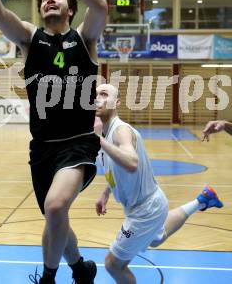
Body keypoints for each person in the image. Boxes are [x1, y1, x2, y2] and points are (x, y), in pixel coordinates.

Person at [0, 0, 107, 284]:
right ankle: (80, 268)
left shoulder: (85, 38)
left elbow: (100, 5)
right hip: (42, 149)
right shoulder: (30, 41)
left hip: (78, 143)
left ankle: (47, 279)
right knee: (56, 218)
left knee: (55, 206)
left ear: (69, 8)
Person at [94, 84, 223, 284]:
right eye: (95, 95)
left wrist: (97, 141)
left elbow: (131, 162)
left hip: (145, 210)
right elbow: (116, 169)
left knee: (113, 264)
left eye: (104, 94)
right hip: (152, 203)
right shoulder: (106, 133)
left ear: (117, 102)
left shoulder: (120, 131)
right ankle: (202, 200)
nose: (98, 99)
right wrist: (106, 193)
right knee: (155, 237)